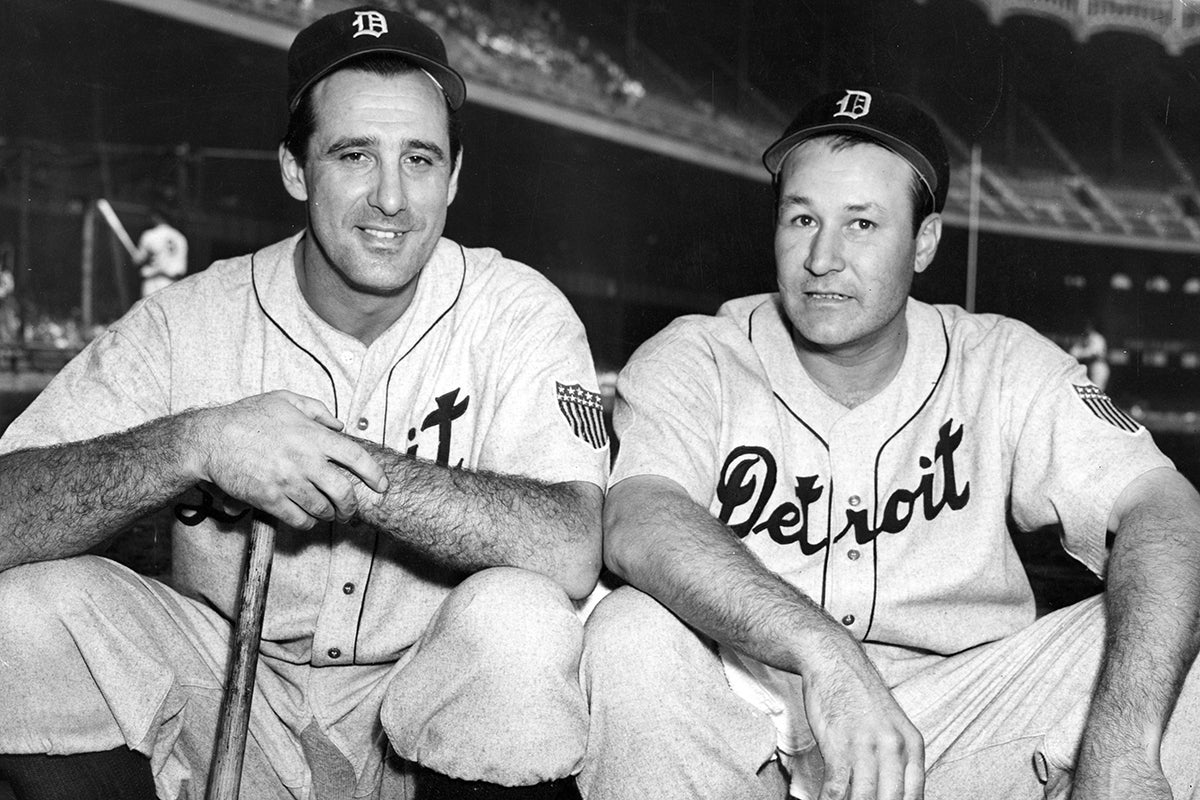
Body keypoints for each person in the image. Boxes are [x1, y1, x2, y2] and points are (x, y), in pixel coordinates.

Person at [0, 7, 606, 800]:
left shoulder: (517, 310)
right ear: (295, 169)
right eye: (354, 154)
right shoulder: (192, 318)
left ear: (454, 177)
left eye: (420, 159)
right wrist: (194, 445)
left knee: (520, 620)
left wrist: (343, 472)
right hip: (224, 703)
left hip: (423, 716)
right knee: (19, 616)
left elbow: (569, 546)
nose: (391, 197)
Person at [580, 88, 1200, 800]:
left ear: (925, 242)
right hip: (742, 724)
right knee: (630, 633)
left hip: (958, 723)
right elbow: (637, 519)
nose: (822, 258)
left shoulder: (998, 360)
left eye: (862, 224)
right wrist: (824, 653)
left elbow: (1163, 504)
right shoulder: (699, 355)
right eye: (802, 217)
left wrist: (1121, 746)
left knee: (1169, 624)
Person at [136, 211, 188, 297]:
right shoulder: (180, 237)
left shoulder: (150, 235)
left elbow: (138, 260)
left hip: (153, 283)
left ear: (156, 217)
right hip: (173, 283)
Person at [1070, 320, 1110, 391]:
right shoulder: (1083, 338)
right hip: (1088, 367)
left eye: (1088, 326)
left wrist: (1080, 354)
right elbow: (1073, 352)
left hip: (1098, 366)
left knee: (1097, 392)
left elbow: (1094, 353)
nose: (1086, 328)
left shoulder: (1097, 338)